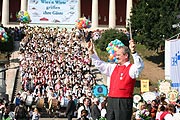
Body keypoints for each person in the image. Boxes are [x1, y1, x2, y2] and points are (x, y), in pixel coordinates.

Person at [88, 39, 144, 120]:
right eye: (116, 55)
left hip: (123, 101)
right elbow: (100, 65)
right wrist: (92, 53)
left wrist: (134, 52)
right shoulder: (113, 67)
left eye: (119, 55)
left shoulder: (131, 68)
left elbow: (140, 66)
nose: (116, 57)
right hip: (111, 100)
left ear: (126, 56)